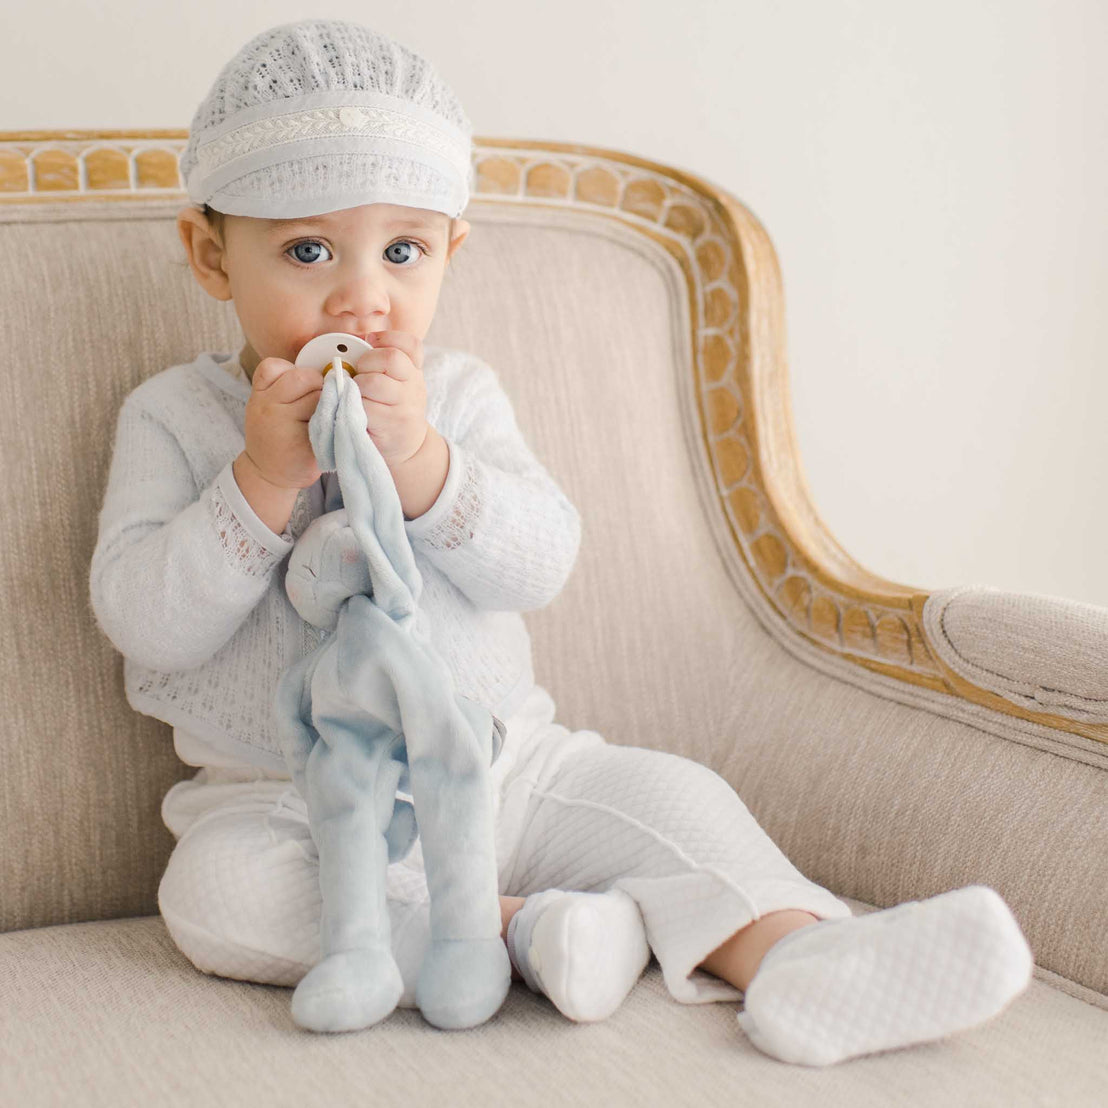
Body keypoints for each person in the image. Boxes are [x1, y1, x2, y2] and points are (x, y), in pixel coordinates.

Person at [88, 17, 1034, 1065]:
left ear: (452, 248)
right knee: (214, 895)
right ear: (210, 254)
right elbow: (145, 623)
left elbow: (540, 561)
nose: (364, 295)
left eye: (403, 250)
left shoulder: (460, 396)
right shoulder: (175, 416)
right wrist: (261, 480)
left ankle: (802, 957)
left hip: (505, 772)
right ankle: (520, 932)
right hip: (295, 806)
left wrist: (427, 468)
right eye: (307, 249)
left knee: (674, 798)